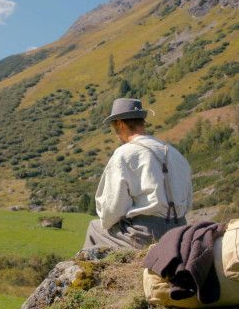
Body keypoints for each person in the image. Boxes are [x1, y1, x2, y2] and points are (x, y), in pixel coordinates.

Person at [83, 98, 193, 249]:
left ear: (120, 123)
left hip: (146, 234)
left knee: (94, 228)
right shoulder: (174, 153)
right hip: (180, 231)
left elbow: (112, 210)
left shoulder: (124, 154)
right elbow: (188, 201)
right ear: (142, 122)